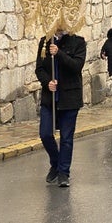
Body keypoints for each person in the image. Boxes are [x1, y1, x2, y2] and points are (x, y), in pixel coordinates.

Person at [35, 29, 86, 187]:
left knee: (66, 138)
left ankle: (64, 172)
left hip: (69, 97)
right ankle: (56, 163)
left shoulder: (78, 41)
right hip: (50, 98)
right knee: (45, 134)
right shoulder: (45, 41)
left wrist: (59, 53)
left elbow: (76, 66)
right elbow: (40, 68)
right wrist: (47, 82)